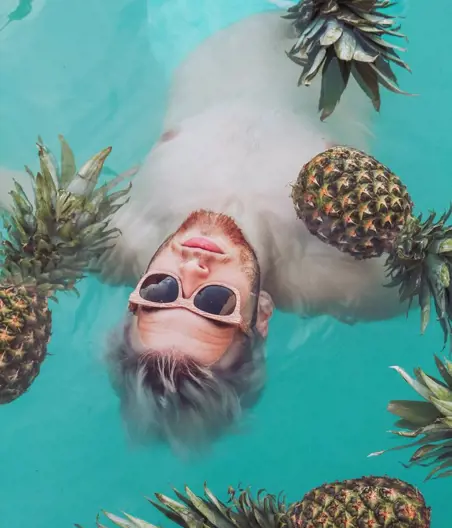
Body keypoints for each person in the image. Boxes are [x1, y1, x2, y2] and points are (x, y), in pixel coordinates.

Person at [0, 12, 403, 451]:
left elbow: (12, 191)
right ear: (261, 315)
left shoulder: (123, 239)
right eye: (215, 302)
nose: (192, 268)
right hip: (337, 21)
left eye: (159, 292)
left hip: (187, 23)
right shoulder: (347, 280)